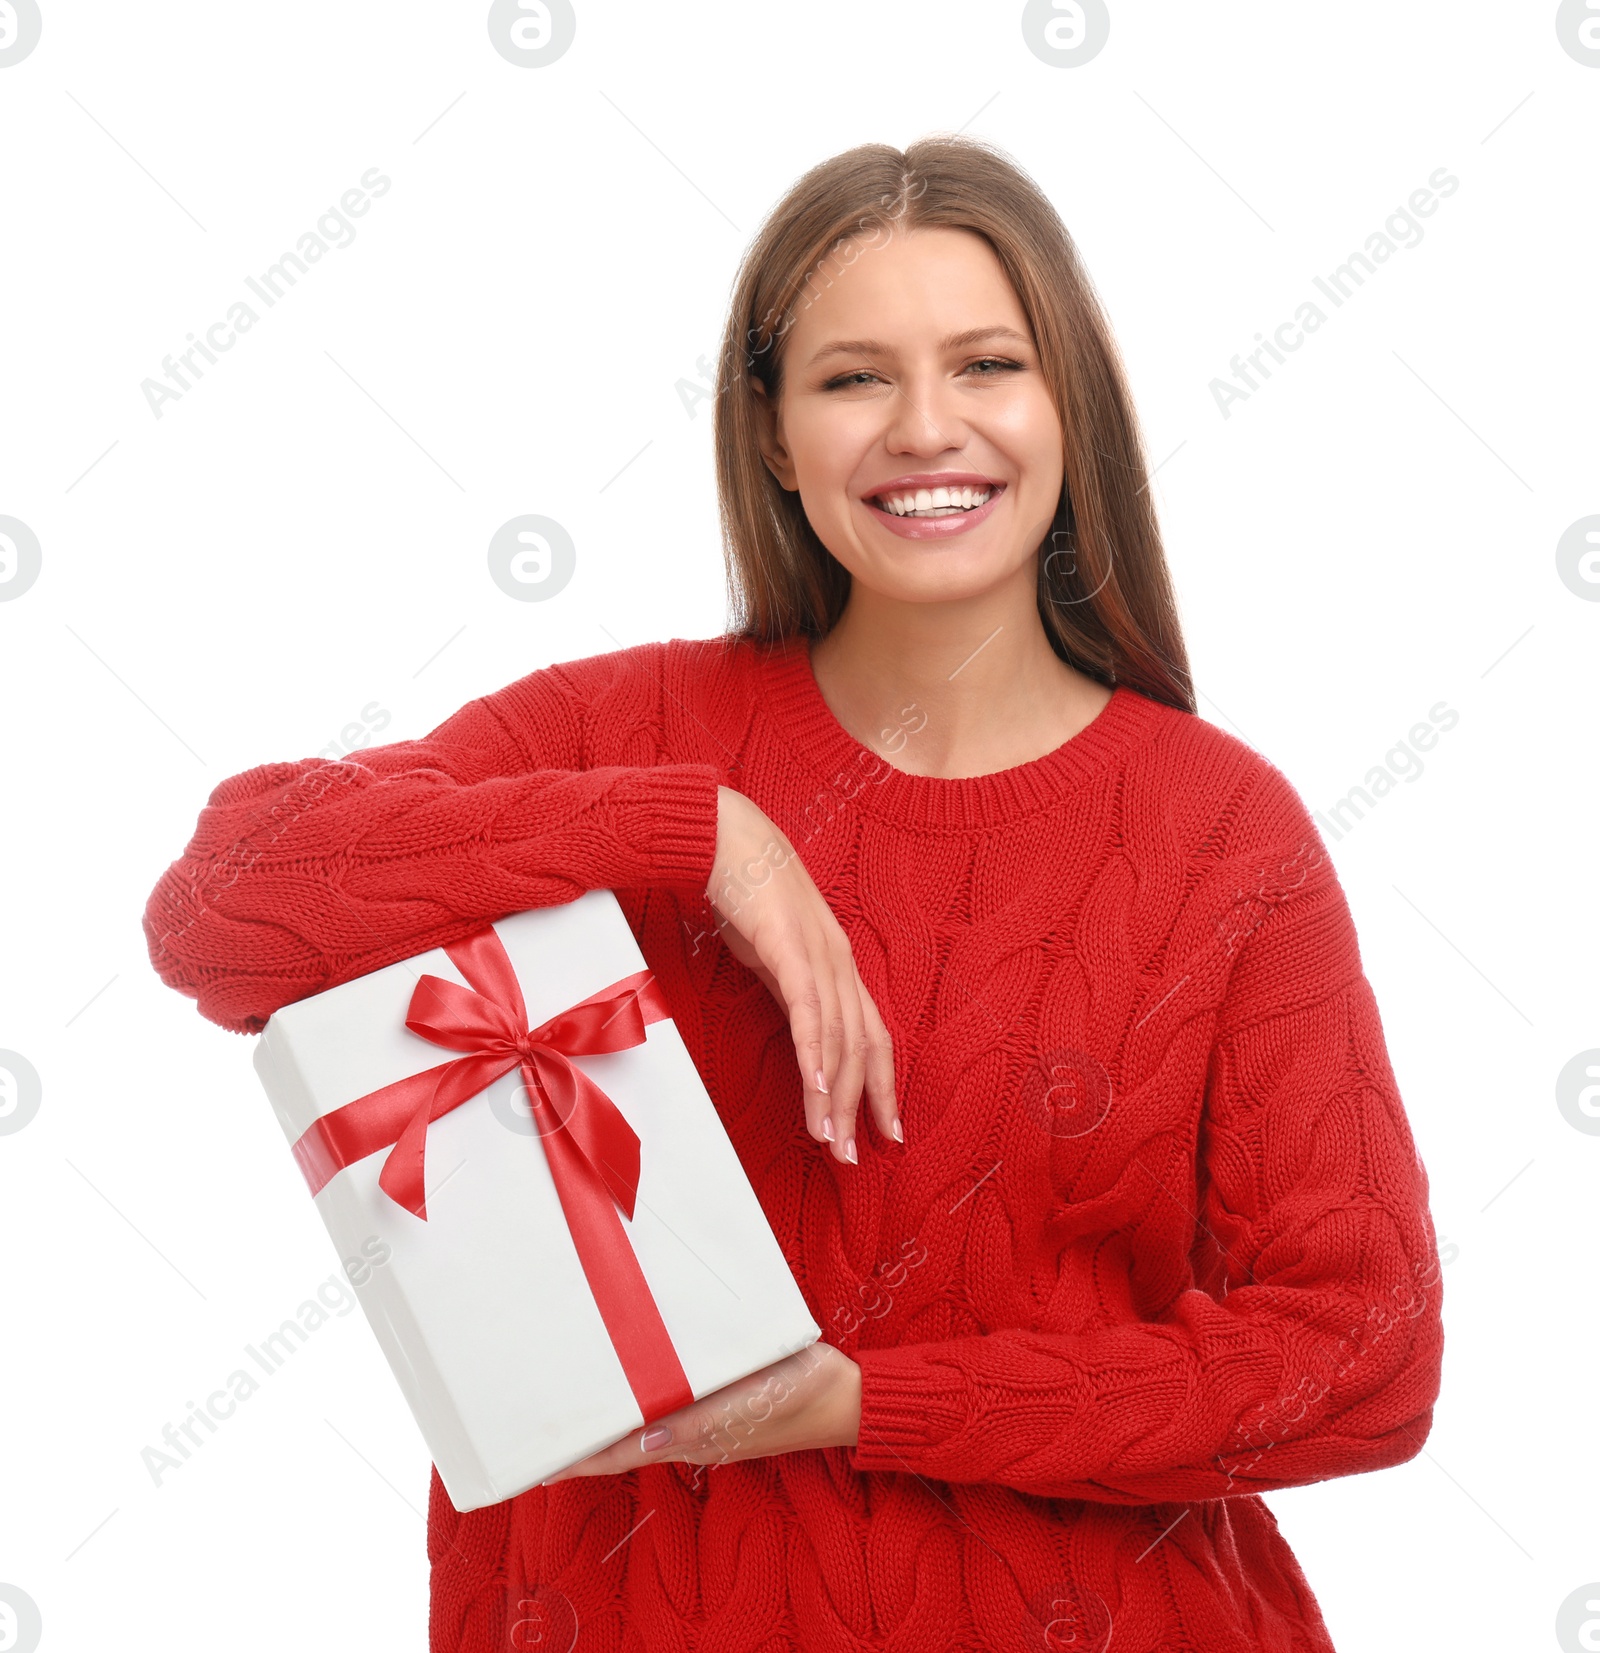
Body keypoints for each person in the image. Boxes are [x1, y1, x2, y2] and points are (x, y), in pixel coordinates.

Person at [142, 134, 1445, 1652]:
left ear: (1069, 405)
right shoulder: (619, 736)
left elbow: (1362, 1354)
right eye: (851, 379)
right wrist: (699, 832)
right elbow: (222, 906)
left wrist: (867, 1403)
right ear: (769, 434)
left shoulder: (1222, 832)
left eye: (986, 364)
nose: (926, 427)